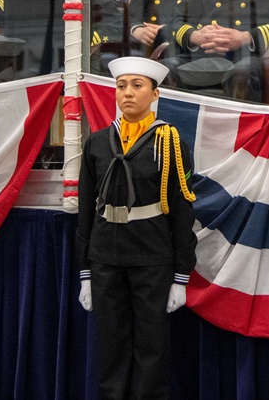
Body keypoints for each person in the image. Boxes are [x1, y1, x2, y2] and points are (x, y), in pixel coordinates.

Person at [76, 56, 196, 400]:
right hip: (106, 256)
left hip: (151, 256)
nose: (127, 93)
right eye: (121, 86)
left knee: (152, 347)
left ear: (155, 94)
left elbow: (182, 211)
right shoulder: (98, 143)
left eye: (137, 86)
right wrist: (85, 269)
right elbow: (86, 210)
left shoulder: (170, 142)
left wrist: (180, 275)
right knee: (111, 346)